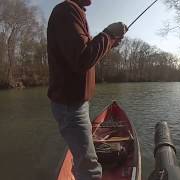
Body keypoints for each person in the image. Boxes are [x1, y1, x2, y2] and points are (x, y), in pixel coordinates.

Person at [47, 0, 127, 179]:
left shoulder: (74, 11)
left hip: (76, 104)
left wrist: (110, 40)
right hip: (70, 106)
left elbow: (86, 50)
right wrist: (108, 34)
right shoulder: (67, 10)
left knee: (85, 161)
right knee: (90, 169)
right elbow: (83, 58)